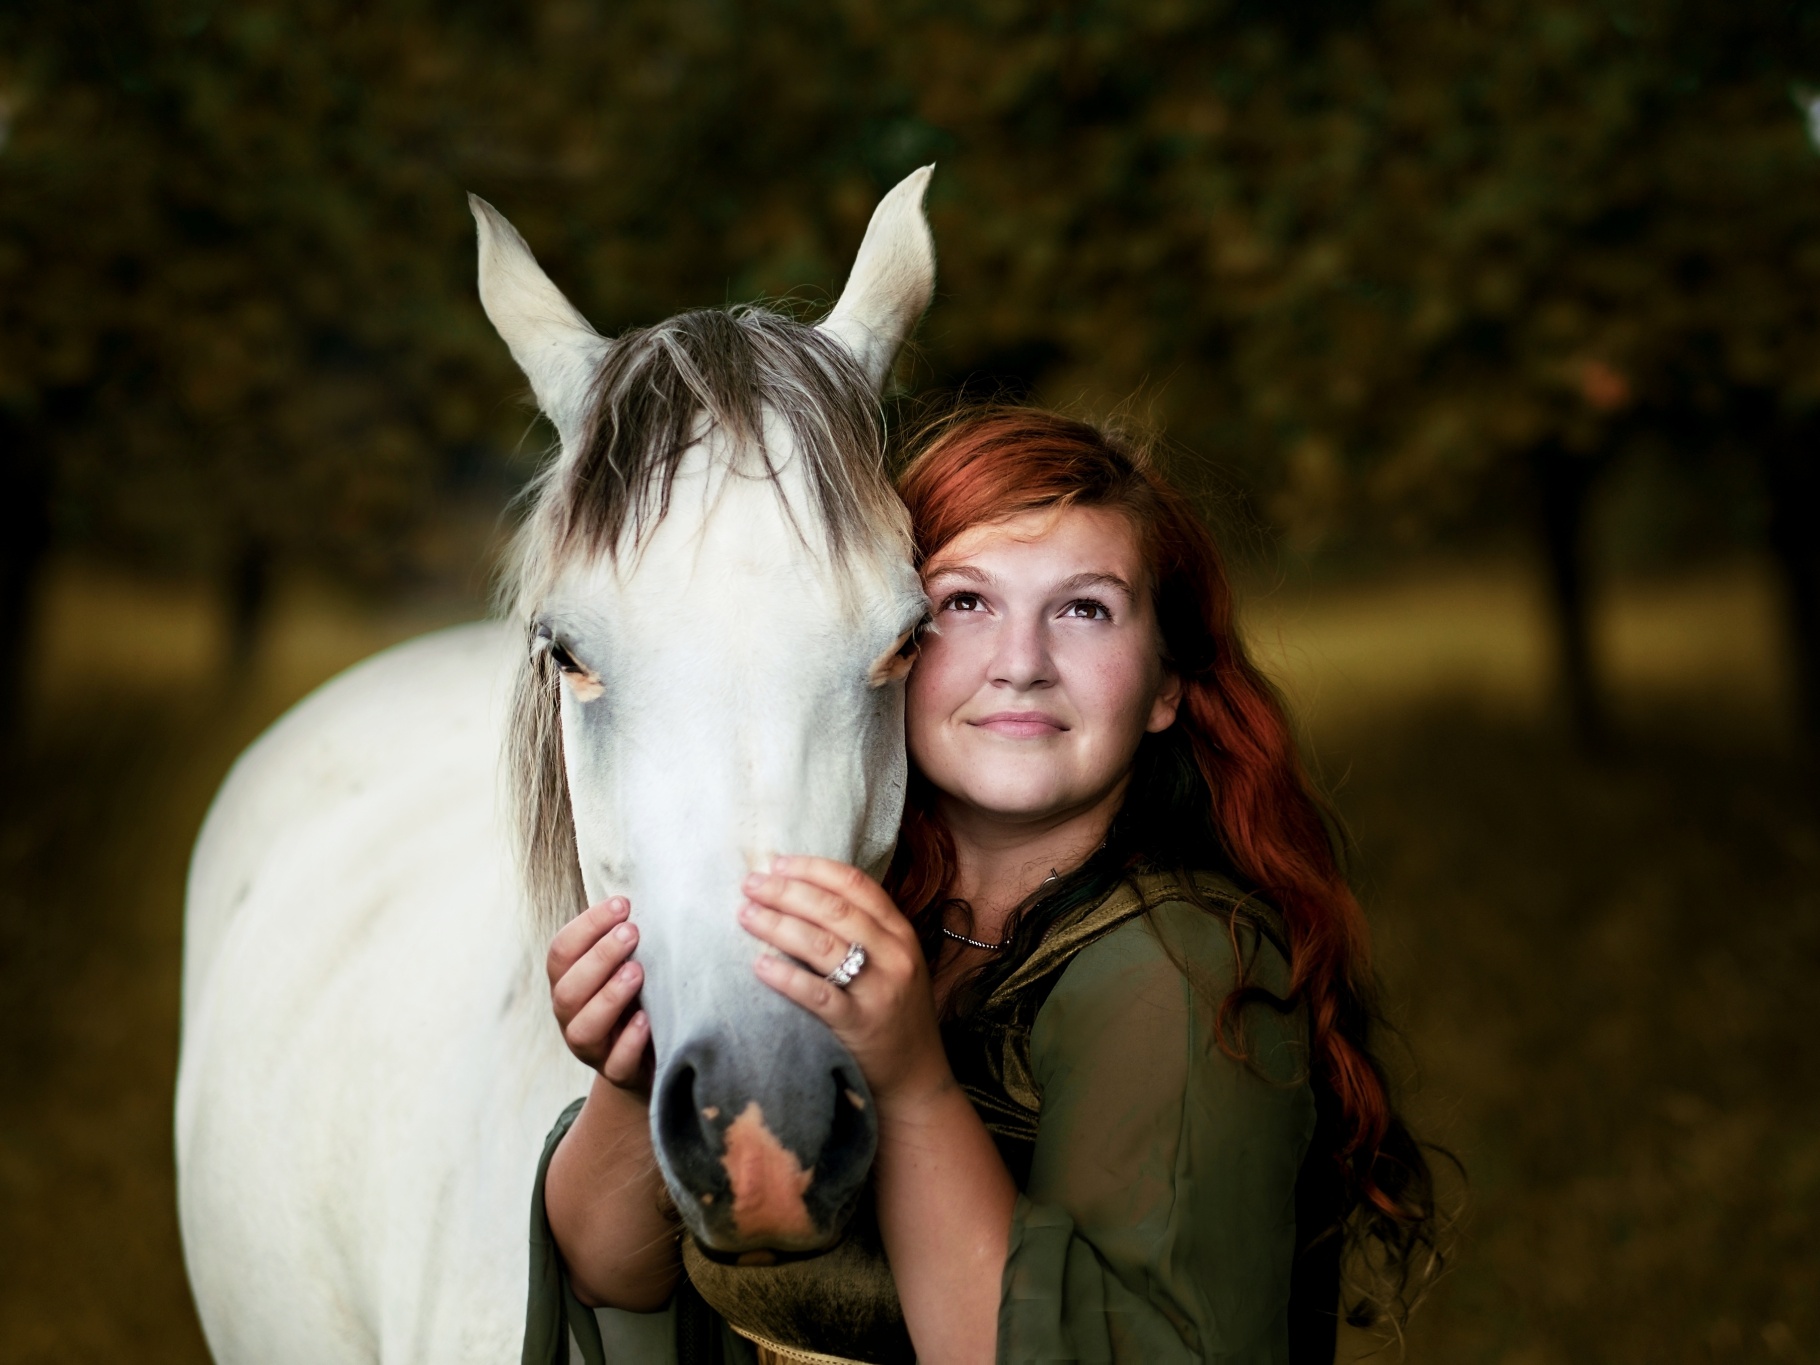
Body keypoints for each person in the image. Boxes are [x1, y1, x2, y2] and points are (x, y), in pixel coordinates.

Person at [529, 408, 1443, 1364]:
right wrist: (635, 1083)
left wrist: (915, 1086)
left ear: (1167, 684)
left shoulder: (1180, 976)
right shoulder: (855, 925)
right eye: (965, 602)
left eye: (1085, 608)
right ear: (886, 644)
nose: (1021, 664)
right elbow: (611, 1278)